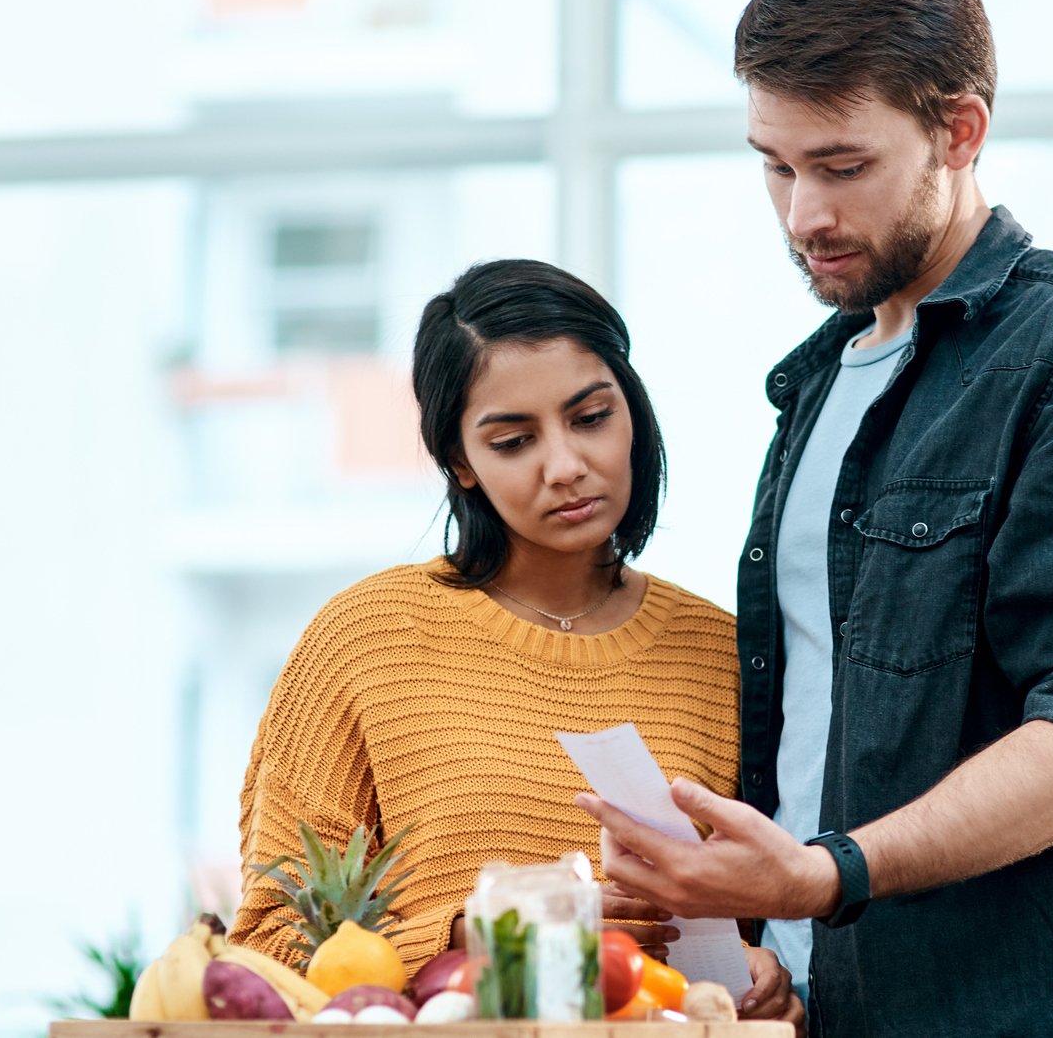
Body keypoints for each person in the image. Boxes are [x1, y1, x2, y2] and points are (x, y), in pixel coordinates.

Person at [575, 0, 1053, 1035]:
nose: (802, 213)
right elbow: (823, 742)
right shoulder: (816, 388)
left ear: (959, 131)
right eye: (775, 164)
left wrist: (822, 873)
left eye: (842, 167)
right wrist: (784, 955)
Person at [230, 258, 802, 1026]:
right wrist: (483, 935)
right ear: (460, 461)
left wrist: (767, 973)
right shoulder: (363, 641)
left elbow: (781, 907)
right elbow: (269, 945)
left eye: (592, 417)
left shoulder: (728, 655)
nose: (566, 466)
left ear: (632, 410)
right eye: (513, 439)